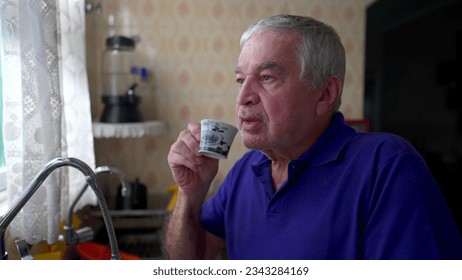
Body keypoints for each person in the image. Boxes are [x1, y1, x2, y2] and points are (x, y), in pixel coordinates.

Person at [165, 14, 462, 260]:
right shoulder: (245, 170)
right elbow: (189, 264)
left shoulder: (387, 166)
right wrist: (191, 195)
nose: (243, 97)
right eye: (240, 80)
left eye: (267, 78)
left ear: (325, 93)